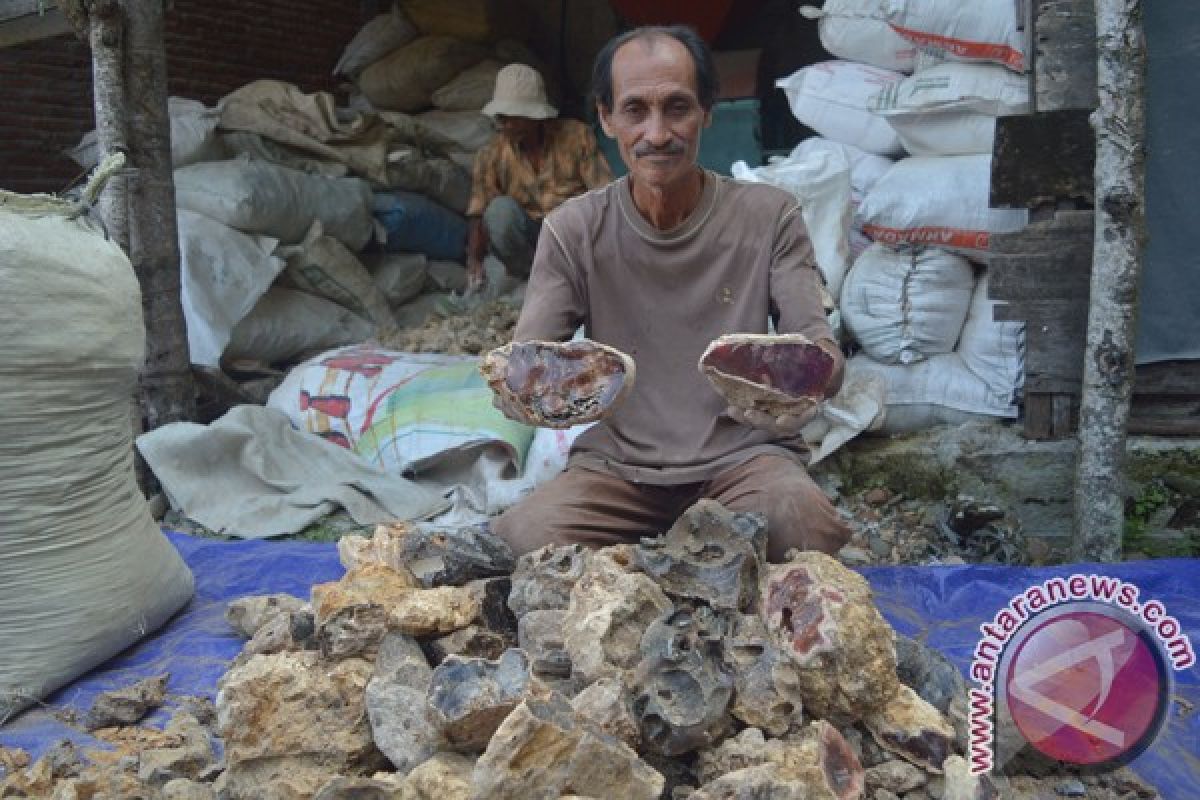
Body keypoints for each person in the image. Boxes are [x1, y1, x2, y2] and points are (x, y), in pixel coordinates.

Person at [488, 26, 852, 562]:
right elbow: (529, 367)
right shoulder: (573, 228)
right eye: (635, 110)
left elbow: (819, 349)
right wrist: (516, 386)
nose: (657, 134)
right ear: (606, 118)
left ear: (707, 110)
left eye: (677, 107)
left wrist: (808, 375)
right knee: (521, 540)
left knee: (802, 524)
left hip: (743, 461)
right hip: (616, 470)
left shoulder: (768, 215)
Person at [465, 63, 613, 293]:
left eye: (518, 117)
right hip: (530, 244)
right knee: (499, 213)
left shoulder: (576, 137)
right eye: (505, 118)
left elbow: (605, 196)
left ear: (537, 116)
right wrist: (474, 261)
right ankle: (541, 278)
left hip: (573, 237)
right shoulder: (491, 155)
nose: (509, 125)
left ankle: (577, 276)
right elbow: (478, 215)